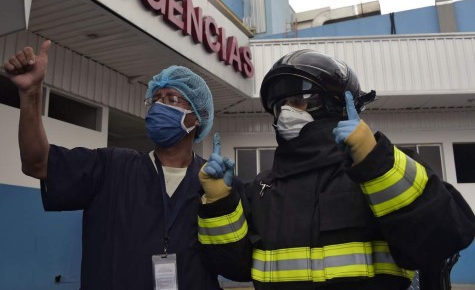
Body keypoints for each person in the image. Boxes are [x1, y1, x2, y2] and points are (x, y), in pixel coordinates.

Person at [197, 49, 475, 290]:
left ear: (336, 105)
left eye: (297, 101)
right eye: (279, 106)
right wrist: (219, 203)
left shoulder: (379, 170)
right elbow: (233, 268)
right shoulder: (262, 188)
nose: (285, 114)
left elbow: (444, 239)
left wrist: (375, 161)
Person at [4, 39, 222, 290]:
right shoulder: (111, 167)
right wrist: (31, 95)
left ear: (199, 116)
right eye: (155, 99)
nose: (160, 106)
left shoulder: (215, 184)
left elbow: (235, 263)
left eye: (172, 99)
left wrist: (223, 199)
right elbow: (36, 163)